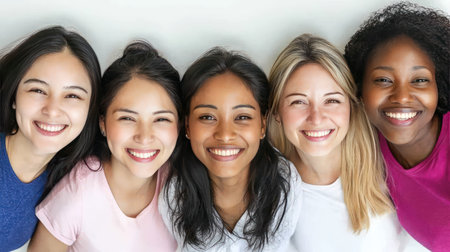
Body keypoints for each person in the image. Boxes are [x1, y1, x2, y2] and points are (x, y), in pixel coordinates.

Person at [268, 34, 426, 251]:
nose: (316, 118)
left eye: (332, 100)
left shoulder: (389, 161)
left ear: (351, 106)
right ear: (277, 112)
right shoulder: (270, 191)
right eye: (298, 102)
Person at [28, 41, 179, 251]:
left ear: (180, 125)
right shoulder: (77, 195)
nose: (144, 137)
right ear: (103, 123)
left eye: (161, 119)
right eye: (127, 118)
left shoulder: (182, 185)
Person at [160, 48, 297, 251]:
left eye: (242, 117)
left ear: (262, 125)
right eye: (207, 117)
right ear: (187, 126)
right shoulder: (173, 192)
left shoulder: (285, 182)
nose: (225, 134)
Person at [344, 2, 450, 251]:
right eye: (383, 80)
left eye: (420, 80)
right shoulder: (366, 149)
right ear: (360, 90)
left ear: (439, 86)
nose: (402, 97)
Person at [0, 26, 101, 251]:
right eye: (38, 90)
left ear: (89, 109)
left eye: (72, 95)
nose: (53, 110)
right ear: (14, 95)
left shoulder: (66, 176)